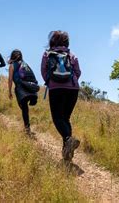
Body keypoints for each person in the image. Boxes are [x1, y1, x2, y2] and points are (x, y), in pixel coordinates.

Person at [41, 30, 81, 163]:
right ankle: (67, 153)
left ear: (52, 41)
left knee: (58, 118)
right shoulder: (71, 54)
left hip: (56, 88)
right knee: (65, 118)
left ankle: (69, 140)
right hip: (73, 89)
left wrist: (51, 81)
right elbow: (78, 72)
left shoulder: (47, 54)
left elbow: (44, 71)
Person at [8, 49, 39, 136]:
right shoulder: (25, 64)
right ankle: (33, 99)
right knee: (25, 108)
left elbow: (10, 80)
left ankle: (27, 128)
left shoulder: (12, 65)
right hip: (30, 88)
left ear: (12, 56)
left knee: (24, 108)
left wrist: (9, 91)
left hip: (21, 89)